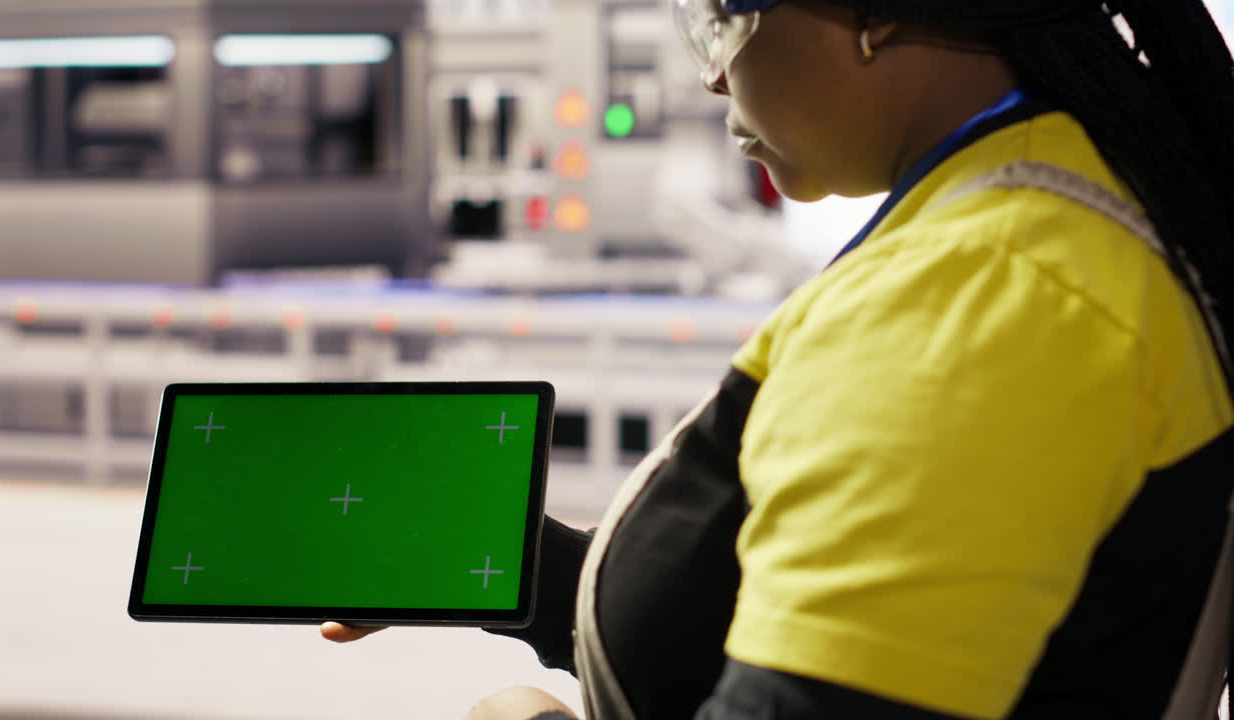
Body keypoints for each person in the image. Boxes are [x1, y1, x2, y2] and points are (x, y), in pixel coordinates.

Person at [324, 0, 1234, 717]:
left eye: (722, 16)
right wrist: (514, 569)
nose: (716, 77)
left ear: (872, 14)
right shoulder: (1035, 204)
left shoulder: (979, 296)